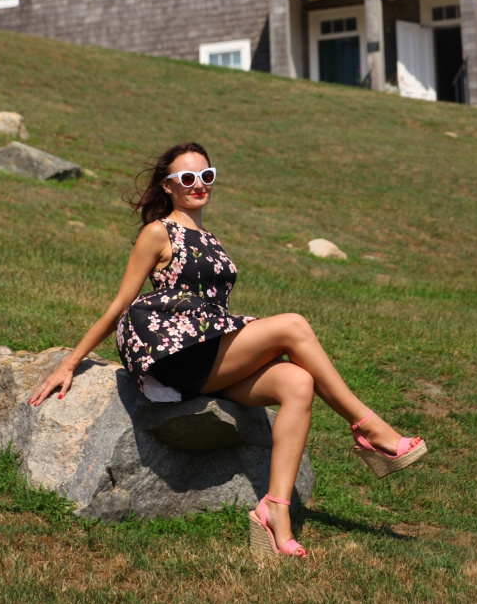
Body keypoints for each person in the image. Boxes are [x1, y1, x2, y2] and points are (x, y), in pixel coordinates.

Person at [30, 141, 427, 558]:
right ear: (168, 186)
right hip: (175, 352)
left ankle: (274, 511)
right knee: (294, 325)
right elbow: (119, 303)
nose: (198, 185)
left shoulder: (209, 238)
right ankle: (370, 428)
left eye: (206, 176)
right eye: (187, 178)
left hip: (209, 353)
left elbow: (213, 310)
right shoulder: (159, 232)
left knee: (297, 381)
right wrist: (71, 362)